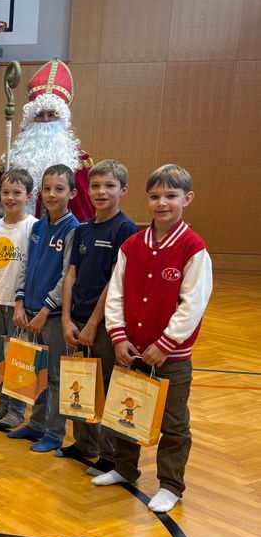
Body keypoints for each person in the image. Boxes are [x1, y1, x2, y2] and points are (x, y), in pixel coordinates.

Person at [97, 164, 212, 514]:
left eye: (171, 196)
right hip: (130, 349)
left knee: (174, 423)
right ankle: (124, 467)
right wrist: (117, 336)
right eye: (155, 196)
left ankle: (171, 485)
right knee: (125, 413)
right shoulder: (133, 244)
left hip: (171, 357)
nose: (162, 203)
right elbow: (114, 293)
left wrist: (165, 344)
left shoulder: (194, 248)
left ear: (187, 199)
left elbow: (193, 304)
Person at [58, 160, 138, 472]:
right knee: (80, 384)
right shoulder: (82, 230)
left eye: (109, 186)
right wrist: (67, 318)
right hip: (76, 320)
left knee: (104, 387)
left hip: (102, 325)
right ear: (86, 190)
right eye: (95, 186)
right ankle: (84, 443)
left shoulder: (125, 229)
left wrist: (93, 323)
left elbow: (115, 280)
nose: (101, 192)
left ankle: (108, 455)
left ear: (123, 190)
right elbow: (71, 275)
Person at [6, 165, 79, 451]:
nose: (51, 194)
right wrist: (21, 301)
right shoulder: (37, 226)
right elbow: (26, 265)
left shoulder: (74, 229)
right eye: (47, 189)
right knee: (37, 373)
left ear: (72, 193)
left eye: (59, 189)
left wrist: (46, 309)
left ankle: (54, 432)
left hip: (52, 316)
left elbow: (66, 277)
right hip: (30, 312)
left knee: (56, 377)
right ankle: (36, 424)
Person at [0, 168, 38, 429]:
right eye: (5, 192)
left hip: (18, 305)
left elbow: (33, 267)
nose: (10, 198)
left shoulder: (34, 226)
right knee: (0, 357)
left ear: (29, 195)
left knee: (18, 358)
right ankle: (3, 403)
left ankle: (17, 408)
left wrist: (22, 302)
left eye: (17, 192)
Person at [1, 59, 94, 223]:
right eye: (39, 114)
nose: (45, 120)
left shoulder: (79, 163)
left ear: (61, 120)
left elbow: (85, 212)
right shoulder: (13, 159)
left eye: (51, 115)